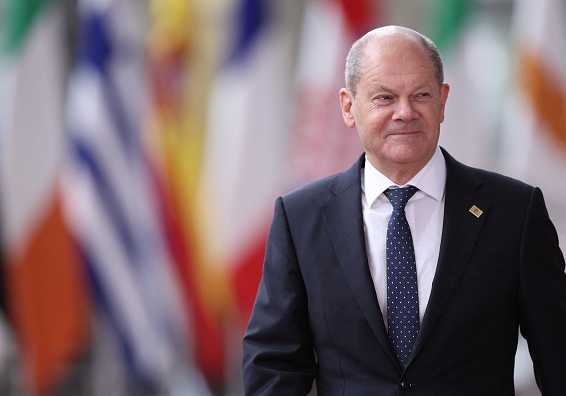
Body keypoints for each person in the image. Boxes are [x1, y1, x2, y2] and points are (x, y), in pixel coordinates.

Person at [241, 25, 566, 395]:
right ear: (349, 107)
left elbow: (557, 352)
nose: (405, 112)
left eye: (421, 95)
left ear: (443, 101)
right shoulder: (300, 218)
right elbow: (275, 361)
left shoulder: (514, 212)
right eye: (384, 98)